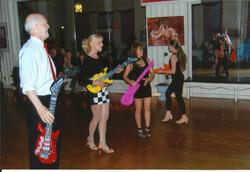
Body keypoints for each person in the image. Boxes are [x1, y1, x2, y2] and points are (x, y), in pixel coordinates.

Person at [19, 13, 61, 169]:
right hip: (40, 102)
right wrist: (40, 108)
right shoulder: (30, 50)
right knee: (40, 145)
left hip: (50, 100)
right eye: (45, 23)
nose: (48, 26)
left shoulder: (42, 48)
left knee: (52, 144)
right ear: (36, 27)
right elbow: (28, 86)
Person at [81, 33, 122, 153]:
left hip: (103, 91)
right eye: (99, 42)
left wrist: (116, 71)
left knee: (105, 117)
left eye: (102, 42)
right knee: (97, 117)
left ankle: (103, 143)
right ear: (91, 44)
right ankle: (90, 139)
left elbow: (105, 76)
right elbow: (82, 78)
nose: (102, 44)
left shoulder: (101, 58)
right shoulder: (87, 60)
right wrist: (94, 82)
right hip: (94, 93)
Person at [123, 43, 155, 138]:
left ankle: (147, 128)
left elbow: (152, 73)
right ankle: (139, 129)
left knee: (148, 108)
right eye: (140, 49)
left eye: (142, 49)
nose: (143, 51)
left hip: (146, 86)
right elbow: (124, 76)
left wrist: (149, 79)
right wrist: (130, 81)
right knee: (138, 109)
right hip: (136, 88)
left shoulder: (147, 60)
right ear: (135, 50)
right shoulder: (130, 63)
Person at [160, 39, 188, 124]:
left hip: (177, 79)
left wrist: (163, 71)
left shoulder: (173, 56)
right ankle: (174, 115)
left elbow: (173, 71)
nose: (168, 47)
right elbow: (175, 70)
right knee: (175, 95)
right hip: (178, 78)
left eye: (169, 45)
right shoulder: (177, 54)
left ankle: (182, 116)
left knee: (172, 94)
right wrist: (166, 71)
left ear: (172, 47)